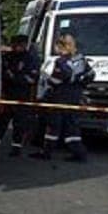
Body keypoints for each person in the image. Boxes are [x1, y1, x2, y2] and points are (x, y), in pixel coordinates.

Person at [32, 33, 93, 162]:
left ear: (61, 46)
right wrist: (79, 83)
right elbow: (91, 75)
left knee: (53, 126)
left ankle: (46, 152)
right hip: (74, 97)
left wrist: (45, 77)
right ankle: (79, 153)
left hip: (60, 98)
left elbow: (57, 80)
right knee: (71, 126)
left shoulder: (61, 61)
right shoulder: (81, 60)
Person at [0, 34, 41, 156]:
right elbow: (1, 72)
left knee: (20, 123)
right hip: (8, 94)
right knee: (2, 121)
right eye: (15, 45)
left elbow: (32, 78)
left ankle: (16, 148)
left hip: (23, 95)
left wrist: (15, 77)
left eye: (19, 45)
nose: (16, 47)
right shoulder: (8, 57)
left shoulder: (31, 59)